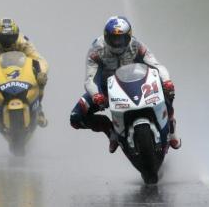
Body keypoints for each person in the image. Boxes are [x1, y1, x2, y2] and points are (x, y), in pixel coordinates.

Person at [69, 16, 181, 153]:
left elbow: (156, 65)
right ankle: (110, 131)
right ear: (106, 37)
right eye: (114, 38)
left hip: (138, 85)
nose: (118, 43)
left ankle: (171, 124)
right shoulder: (96, 50)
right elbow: (90, 80)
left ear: (128, 36)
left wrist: (167, 81)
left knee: (167, 90)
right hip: (107, 91)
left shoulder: (137, 45)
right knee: (75, 117)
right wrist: (96, 95)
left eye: (121, 38)